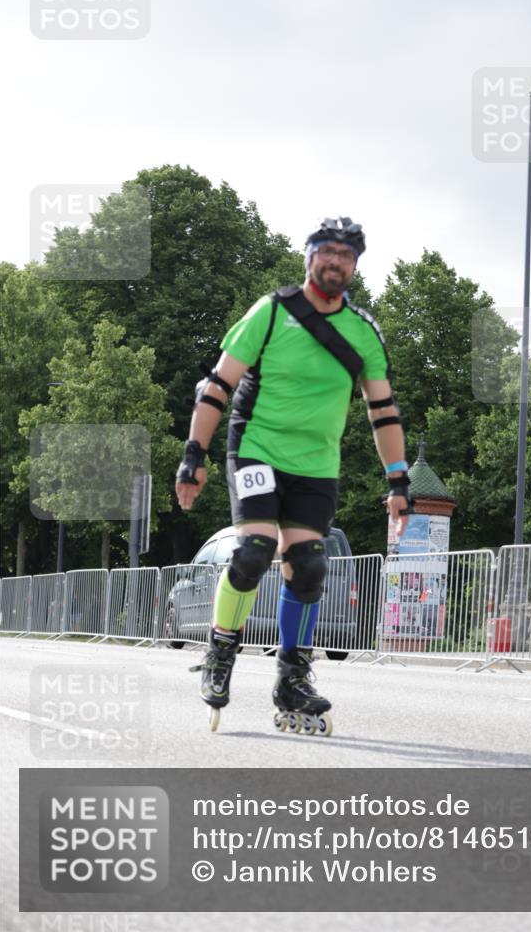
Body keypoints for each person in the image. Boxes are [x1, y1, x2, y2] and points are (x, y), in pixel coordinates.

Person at [175, 216, 412, 735]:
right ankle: (221, 650)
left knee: (307, 567)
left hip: (316, 466)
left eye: (346, 256)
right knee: (254, 552)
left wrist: (398, 481)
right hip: (256, 448)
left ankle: (292, 677)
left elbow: (383, 411)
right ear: (309, 258)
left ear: (354, 267)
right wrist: (195, 454)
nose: (336, 262)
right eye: (326, 251)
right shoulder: (272, 311)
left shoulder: (363, 333)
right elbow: (217, 386)